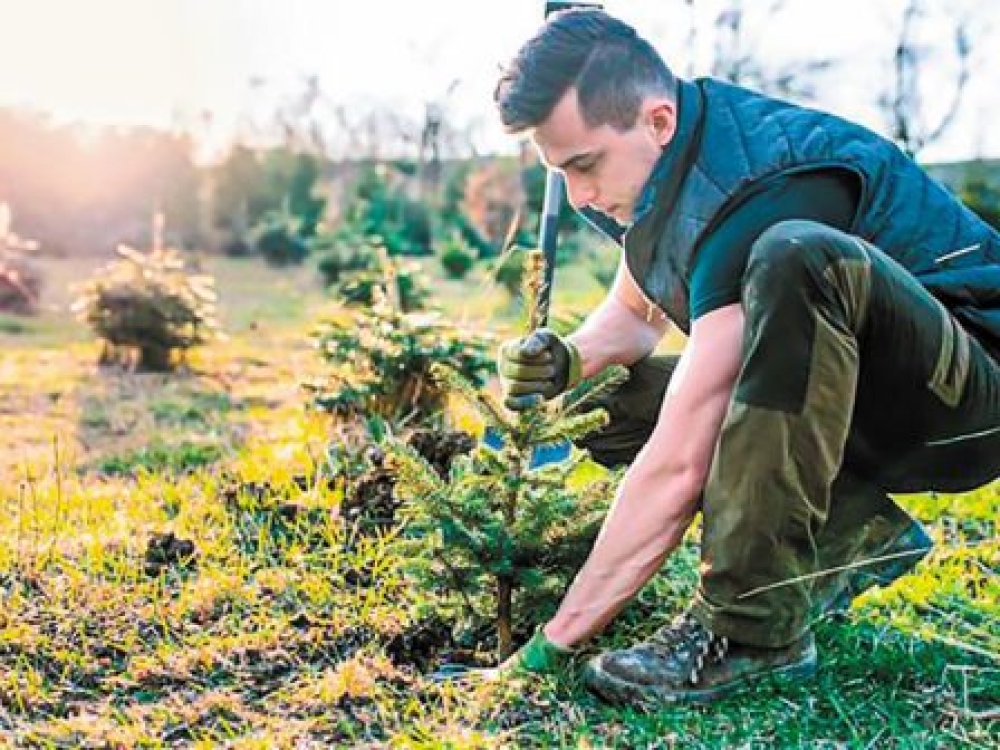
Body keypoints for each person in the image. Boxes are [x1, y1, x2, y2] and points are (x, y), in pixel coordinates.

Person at [493, 8, 1000, 706]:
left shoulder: (760, 189)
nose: (579, 196)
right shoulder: (664, 165)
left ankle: (751, 632)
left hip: (963, 397)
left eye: (585, 165)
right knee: (600, 401)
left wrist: (555, 641)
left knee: (797, 256)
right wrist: (565, 362)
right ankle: (846, 534)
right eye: (561, 173)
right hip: (852, 395)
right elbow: (635, 314)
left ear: (658, 121)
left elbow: (679, 462)